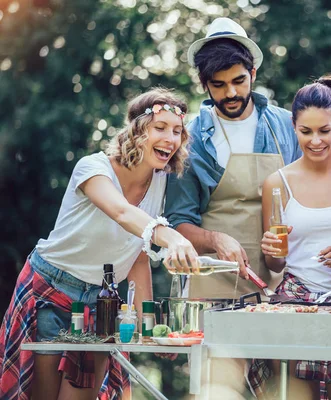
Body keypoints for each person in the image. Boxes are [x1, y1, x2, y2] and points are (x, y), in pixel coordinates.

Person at [0, 88, 198, 400]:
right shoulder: (92, 168)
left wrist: (148, 329)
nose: (171, 140)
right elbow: (121, 212)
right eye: (160, 128)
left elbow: (137, 254)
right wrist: (170, 235)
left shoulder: (160, 181)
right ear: (136, 130)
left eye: (177, 132)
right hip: (49, 291)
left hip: (101, 305)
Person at [248, 76, 331, 400]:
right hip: (292, 306)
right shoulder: (277, 182)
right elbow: (275, 264)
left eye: (324, 131)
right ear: (294, 126)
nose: (315, 140)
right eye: (306, 132)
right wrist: (271, 250)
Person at [164, 17, 301, 300]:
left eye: (239, 81)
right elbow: (178, 221)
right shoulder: (190, 140)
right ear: (204, 84)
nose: (231, 93)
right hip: (214, 277)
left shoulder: (288, 126)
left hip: (284, 279)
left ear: (253, 72)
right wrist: (214, 239)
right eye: (219, 85)